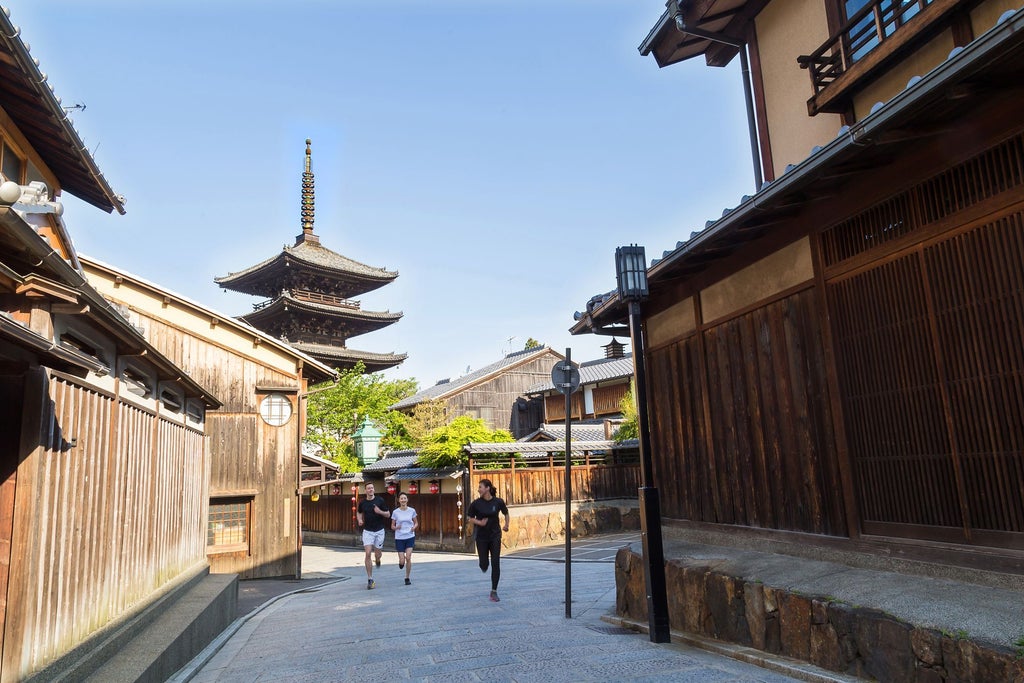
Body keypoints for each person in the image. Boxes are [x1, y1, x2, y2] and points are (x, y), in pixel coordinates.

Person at [467, 478, 510, 602]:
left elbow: (506, 513)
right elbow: (469, 518)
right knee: (484, 563)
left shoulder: (498, 502)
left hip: (495, 535)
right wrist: (479, 522)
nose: (478, 489)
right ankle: (483, 565)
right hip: (481, 537)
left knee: (495, 562)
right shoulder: (476, 503)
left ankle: (494, 591)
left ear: (487, 488)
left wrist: (507, 525)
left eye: (480, 487)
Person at [356, 482, 390, 589]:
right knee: (367, 553)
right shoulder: (362, 503)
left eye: (372, 488)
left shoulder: (380, 500)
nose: (370, 490)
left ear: (374, 490)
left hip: (379, 531)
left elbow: (388, 514)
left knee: (377, 553)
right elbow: (359, 512)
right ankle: (370, 579)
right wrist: (360, 519)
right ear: (365, 490)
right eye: (368, 488)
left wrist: (379, 511)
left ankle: (378, 559)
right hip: (368, 531)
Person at [390, 492, 418, 585]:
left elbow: (416, 522)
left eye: (404, 498)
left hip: (410, 536)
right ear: (399, 500)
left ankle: (407, 577)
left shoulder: (412, 510)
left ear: (407, 499)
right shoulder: (395, 512)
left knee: (408, 557)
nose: (403, 500)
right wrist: (396, 528)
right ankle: (401, 562)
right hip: (399, 537)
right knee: (402, 559)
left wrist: (414, 527)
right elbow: (392, 526)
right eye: (401, 498)